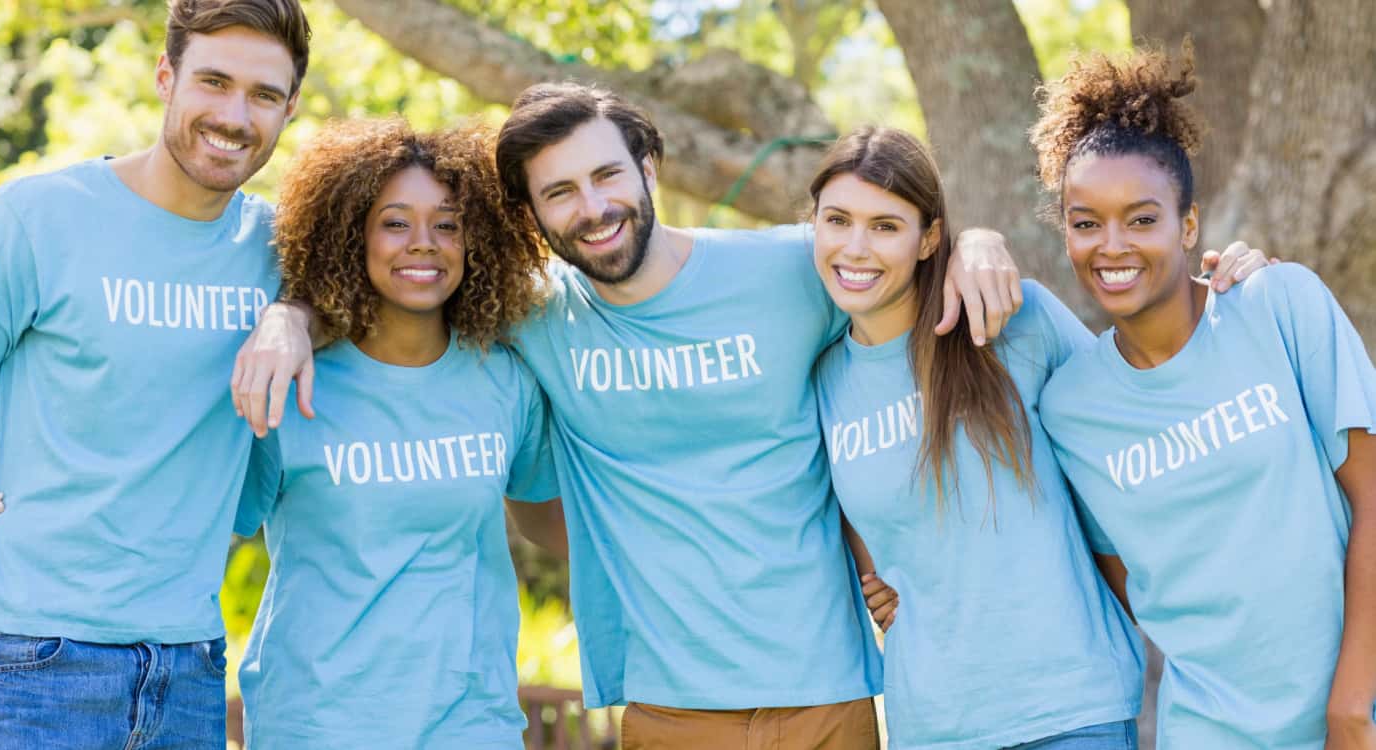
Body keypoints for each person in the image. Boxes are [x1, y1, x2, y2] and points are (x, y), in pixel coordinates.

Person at [233, 81, 1027, 749]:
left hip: (829, 695)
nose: (594, 207)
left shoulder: (791, 270)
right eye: (559, 193)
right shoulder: (529, 320)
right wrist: (292, 316)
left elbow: (892, 263)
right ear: (528, 217)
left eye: (607, 175)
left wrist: (975, 240)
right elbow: (395, 290)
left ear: (647, 165)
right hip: (664, 705)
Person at [0, 0, 309, 745]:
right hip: (33, 667)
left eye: (264, 95)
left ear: (290, 107)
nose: (235, 115)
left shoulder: (283, 250)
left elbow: (395, 283)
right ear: (165, 76)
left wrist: (293, 315)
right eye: (213, 82)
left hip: (192, 672)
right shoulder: (37, 218)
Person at [1033, 44, 1376, 748]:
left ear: (1189, 226)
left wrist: (1350, 705)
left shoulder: (1278, 305)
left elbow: (1373, 497)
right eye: (1085, 221)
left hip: (1354, 713)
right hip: (1209, 731)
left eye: (1142, 218)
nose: (1112, 244)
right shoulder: (1068, 409)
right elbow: (1128, 577)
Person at [808, 126, 1147, 749]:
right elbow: (866, 528)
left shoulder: (1016, 323)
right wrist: (879, 579)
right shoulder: (821, 378)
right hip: (933, 723)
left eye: (885, 226)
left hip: (1070, 710)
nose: (856, 248)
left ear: (929, 238)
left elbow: (1139, 416)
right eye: (838, 220)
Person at [229, 117, 559, 747]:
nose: (423, 242)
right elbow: (199, 528)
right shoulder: (293, 380)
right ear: (352, 236)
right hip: (316, 724)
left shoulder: (505, 381)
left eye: (447, 223)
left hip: (473, 724)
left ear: (476, 239)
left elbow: (550, 521)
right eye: (395, 222)